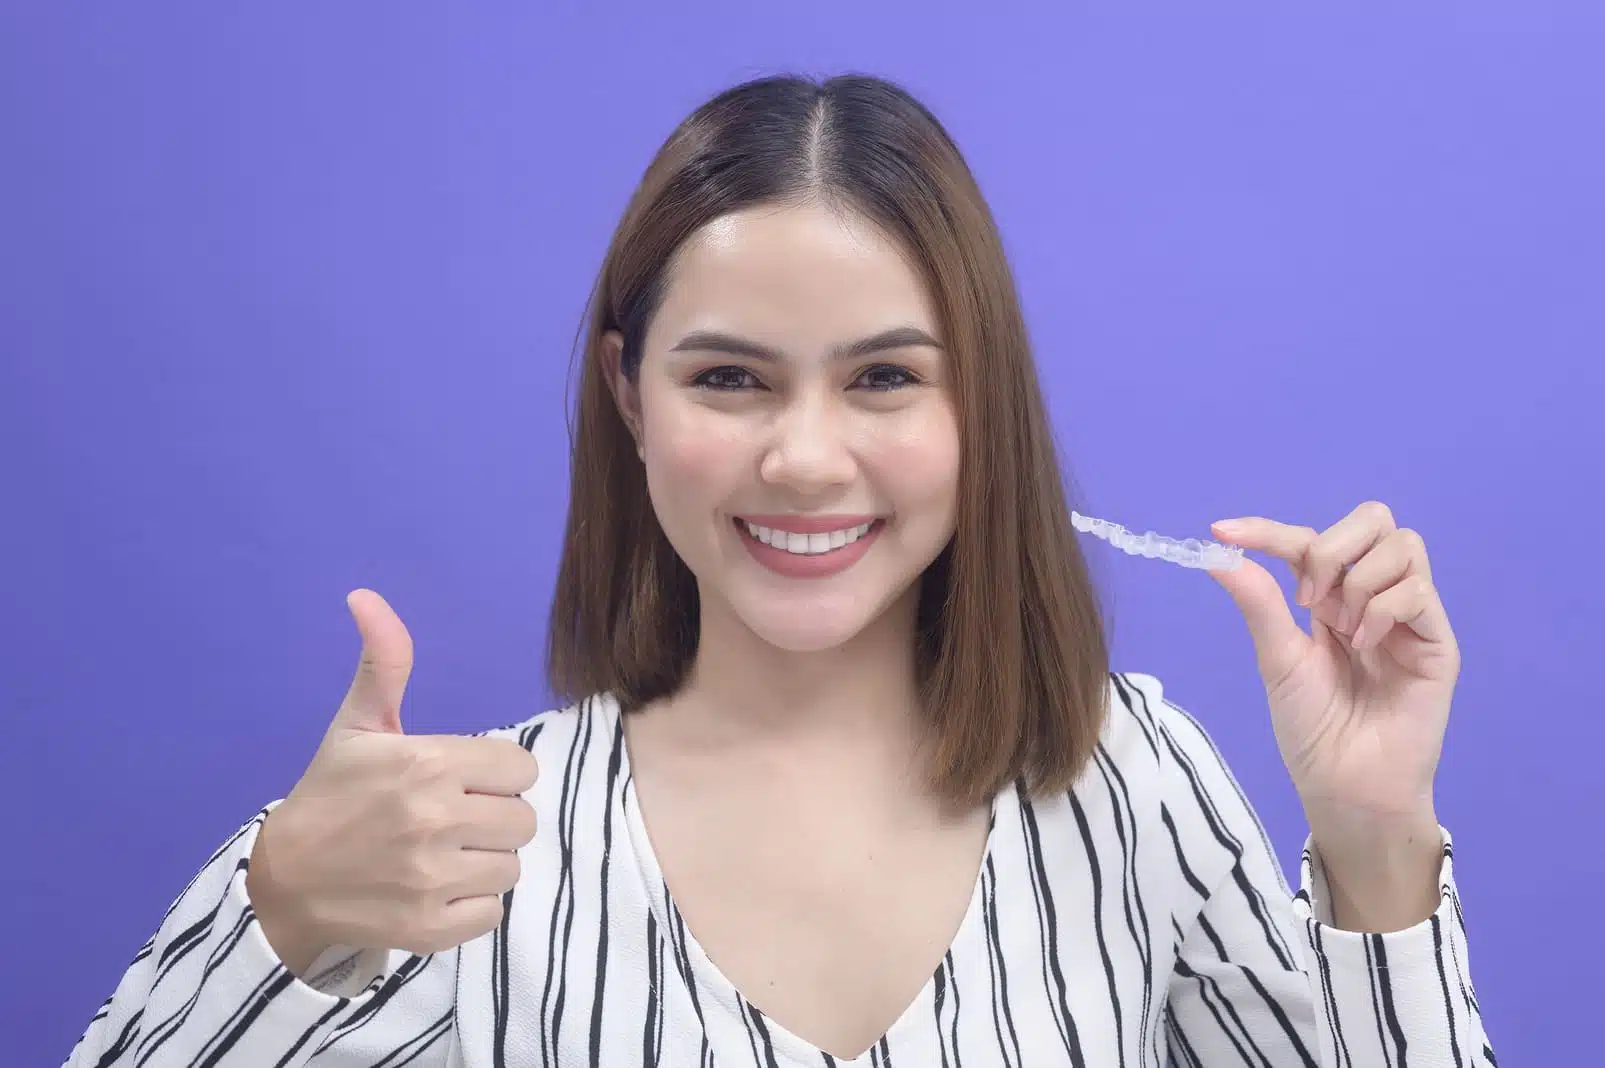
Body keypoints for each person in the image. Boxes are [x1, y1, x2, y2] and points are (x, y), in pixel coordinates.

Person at [66, 73, 1494, 1068]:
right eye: (732, 378)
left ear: (976, 406)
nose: (807, 459)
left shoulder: (1134, 784)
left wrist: (1375, 837)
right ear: (631, 398)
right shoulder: (459, 845)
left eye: (883, 377)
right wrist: (279, 912)